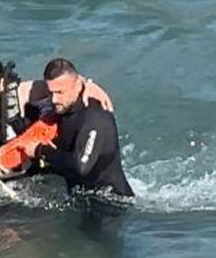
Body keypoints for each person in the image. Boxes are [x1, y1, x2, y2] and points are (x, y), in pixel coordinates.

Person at [12, 58, 133, 199]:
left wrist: (40, 150)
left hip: (112, 202)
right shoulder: (62, 107)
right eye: (50, 93)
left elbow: (81, 166)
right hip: (80, 196)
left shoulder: (94, 116)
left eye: (60, 93)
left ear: (77, 86)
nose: (54, 100)